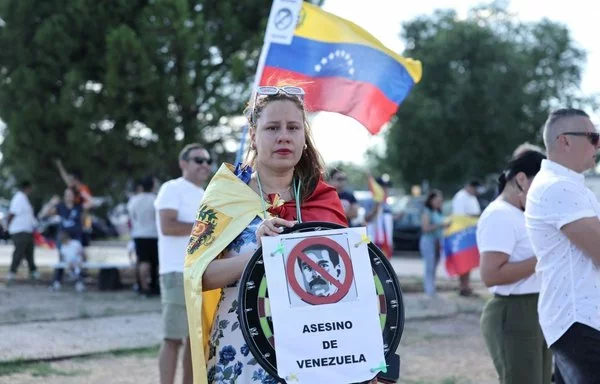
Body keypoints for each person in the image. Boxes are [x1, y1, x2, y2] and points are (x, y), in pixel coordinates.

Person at [183, 85, 347, 383]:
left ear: (304, 138)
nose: (283, 135)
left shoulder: (323, 197)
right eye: (272, 127)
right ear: (254, 135)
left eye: (293, 127)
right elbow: (200, 276)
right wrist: (260, 254)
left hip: (314, 347)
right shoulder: (225, 195)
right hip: (243, 350)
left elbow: (347, 281)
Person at [525, 108, 600, 382]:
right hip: (581, 321)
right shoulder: (558, 188)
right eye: (593, 137)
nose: (598, 145)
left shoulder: (568, 185)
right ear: (565, 141)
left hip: (580, 320)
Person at [477, 150, 551, 384]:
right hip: (514, 312)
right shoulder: (499, 215)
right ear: (521, 179)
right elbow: (491, 275)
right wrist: (544, 258)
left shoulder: (520, 213)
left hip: (535, 308)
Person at [155, 143, 212, 384]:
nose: (205, 165)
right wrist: (207, 230)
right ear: (183, 163)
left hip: (200, 273)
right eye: (198, 160)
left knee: (195, 341)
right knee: (173, 338)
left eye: (208, 160)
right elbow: (168, 226)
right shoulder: (172, 188)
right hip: (176, 272)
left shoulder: (206, 194)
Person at [39, 187, 91, 291]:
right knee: (62, 258)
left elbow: (90, 203)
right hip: (63, 237)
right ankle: (57, 281)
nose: (68, 197)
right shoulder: (60, 207)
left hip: (76, 236)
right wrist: (51, 203)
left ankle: (79, 281)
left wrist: (82, 192)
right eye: (66, 194)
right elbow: (43, 214)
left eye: (70, 194)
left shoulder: (79, 207)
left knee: (78, 259)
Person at [128, 175, 159, 296]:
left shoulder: (134, 200)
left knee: (143, 261)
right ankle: (154, 285)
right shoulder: (156, 199)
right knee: (155, 262)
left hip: (139, 233)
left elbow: (131, 217)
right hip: (154, 234)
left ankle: (143, 287)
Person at [451, 180, 482, 296]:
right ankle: (463, 286)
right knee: (463, 261)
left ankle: (467, 285)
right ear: (469, 187)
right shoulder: (460, 197)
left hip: (471, 231)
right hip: (462, 232)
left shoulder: (472, 197)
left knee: (469, 261)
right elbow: (460, 216)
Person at [6, 180, 38, 283]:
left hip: (27, 230)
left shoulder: (24, 198)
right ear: (27, 188)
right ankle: (12, 272)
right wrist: (7, 226)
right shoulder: (18, 198)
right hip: (19, 230)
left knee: (29, 251)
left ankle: (33, 271)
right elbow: (12, 213)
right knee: (19, 252)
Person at [419, 189, 448, 298]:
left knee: (435, 266)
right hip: (428, 241)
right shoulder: (427, 211)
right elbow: (425, 228)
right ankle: (429, 290)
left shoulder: (439, 212)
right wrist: (440, 225)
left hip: (437, 242)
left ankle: (432, 288)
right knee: (429, 266)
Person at [365, 175, 394, 258]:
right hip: (374, 237)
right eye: (383, 186)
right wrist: (376, 208)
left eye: (387, 187)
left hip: (385, 239)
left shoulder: (387, 202)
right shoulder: (370, 201)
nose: (386, 189)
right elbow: (366, 219)